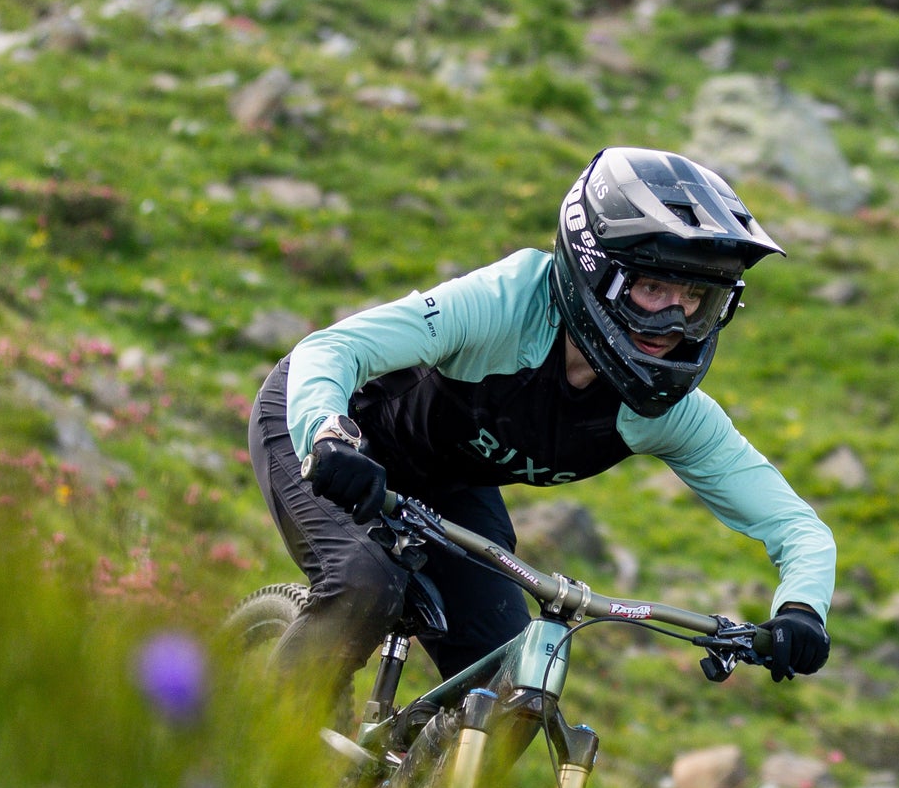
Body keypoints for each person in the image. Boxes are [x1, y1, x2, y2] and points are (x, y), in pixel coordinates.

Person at [247, 147, 835, 701]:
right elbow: (331, 349)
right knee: (364, 585)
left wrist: (802, 610)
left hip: (446, 486)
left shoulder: (664, 410)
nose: (674, 322)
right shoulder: (504, 305)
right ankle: (252, 747)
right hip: (331, 431)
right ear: (595, 271)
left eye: (697, 297)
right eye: (654, 288)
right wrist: (326, 433)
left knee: (513, 684)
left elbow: (796, 526)